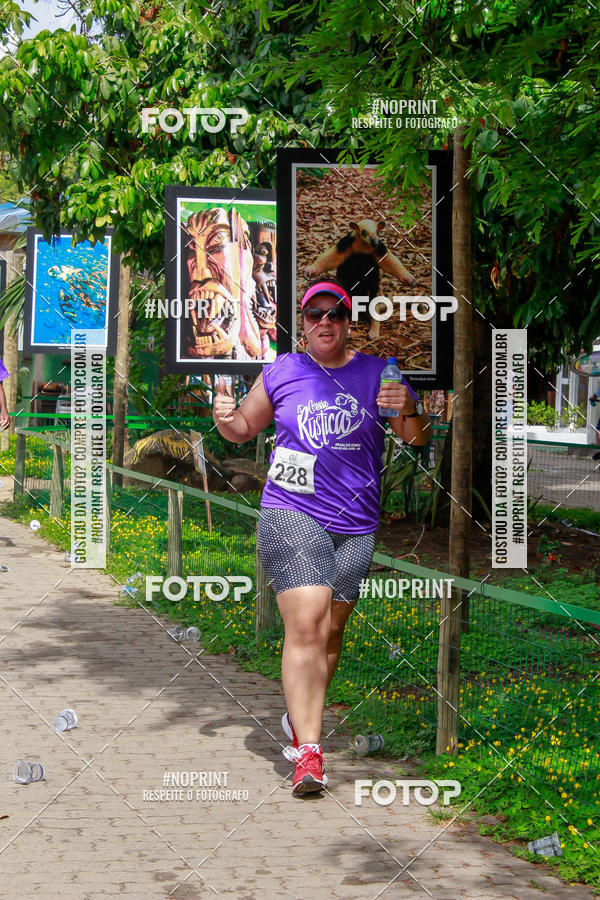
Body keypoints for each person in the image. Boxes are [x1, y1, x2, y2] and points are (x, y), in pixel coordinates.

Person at [212, 278, 429, 797]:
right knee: (308, 622)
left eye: (335, 314)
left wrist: (408, 408)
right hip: (292, 512)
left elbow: (415, 437)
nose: (325, 322)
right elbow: (244, 428)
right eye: (315, 315)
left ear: (348, 322)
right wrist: (224, 417)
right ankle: (309, 752)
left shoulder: (379, 372)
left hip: (356, 523)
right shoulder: (283, 370)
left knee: (330, 632)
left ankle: (297, 715)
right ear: (302, 323)